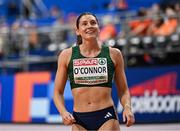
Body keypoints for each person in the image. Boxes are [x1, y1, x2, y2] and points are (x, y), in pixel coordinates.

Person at [53, 12, 135, 131]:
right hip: (79, 119)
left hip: (106, 116)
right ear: (77, 31)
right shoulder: (66, 55)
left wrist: (127, 107)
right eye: (84, 24)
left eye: (93, 23)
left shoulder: (114, 54)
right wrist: (63, 112)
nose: (89, 26)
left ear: (98, 27)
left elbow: (123, 90)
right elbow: (57, 92)